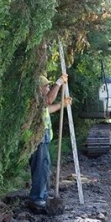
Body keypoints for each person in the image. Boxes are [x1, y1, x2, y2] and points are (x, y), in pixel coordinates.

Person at [29, 74, 71, 213]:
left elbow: (48, 108)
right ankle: (37, 198)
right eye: (46, 86)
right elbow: (48, 101)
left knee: (45, 168)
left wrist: (62, 105)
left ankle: (42, 196)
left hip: (44, 138)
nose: (48, 88)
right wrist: (58, 83)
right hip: (38, 138)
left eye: (49, 86)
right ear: (39, 89)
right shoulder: (35, 100)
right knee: (40, 169)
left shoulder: (41, 103)